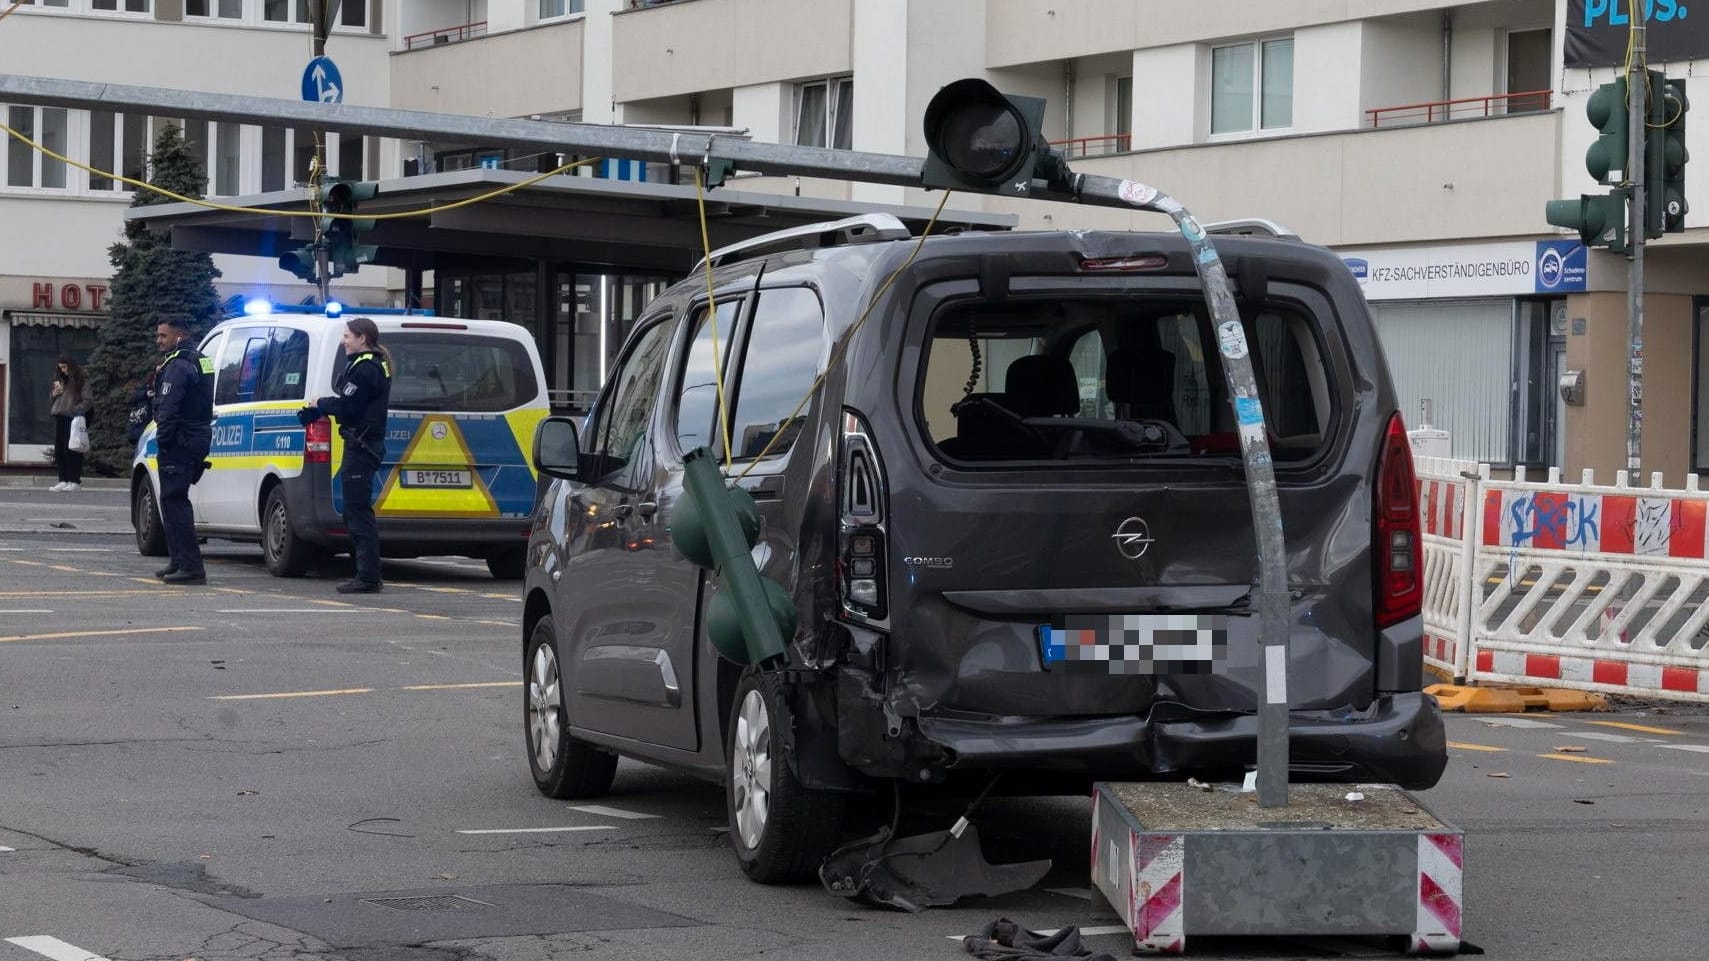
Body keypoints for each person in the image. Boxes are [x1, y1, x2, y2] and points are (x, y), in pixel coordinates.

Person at [300, 316, 392, 594]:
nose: (344, 341)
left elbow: (349, 407)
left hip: (362, 446)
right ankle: (367, 574)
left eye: (347, 336)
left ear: (362, 338)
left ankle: (368, 577)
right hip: (362, 444)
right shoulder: (369, 365)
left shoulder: (365, 369)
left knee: (357, 512)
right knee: (356, 510)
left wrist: (320, 404)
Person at [152, 315, 214, 586]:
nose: (159, 341)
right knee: (171, 501)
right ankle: (178, 561)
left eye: (163, 336)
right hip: (196, 436)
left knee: (175, 502)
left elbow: (169, 407)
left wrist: (163, 441)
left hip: (181, 440)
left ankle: (190, 567)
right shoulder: (200, 359)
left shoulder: (178, 365)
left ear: (179, 336)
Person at [48, 355, 89, 492]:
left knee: (72, 449)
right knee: (59, 449)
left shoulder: (80, 378)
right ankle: (63, 479)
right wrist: (54, 394)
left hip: (72, 417)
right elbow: (52, 399)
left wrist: (76, 410)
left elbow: (88, 399)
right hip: (59, 415)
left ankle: (74, 480)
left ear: (70, 366)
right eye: (60, 368)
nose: (63, 370)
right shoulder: (59, 379)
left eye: (65, 367)